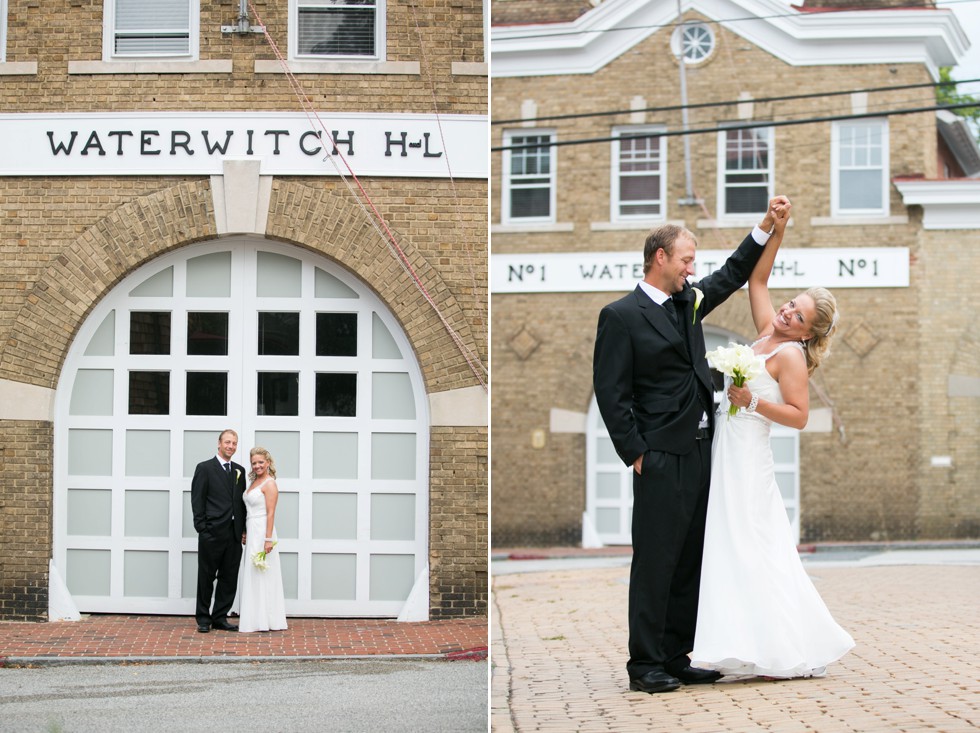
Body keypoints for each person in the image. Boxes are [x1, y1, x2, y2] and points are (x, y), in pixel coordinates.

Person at [592, 197, 788, 694]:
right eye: (685, 260)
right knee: (656, 561)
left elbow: (734, 273)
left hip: (704, 450)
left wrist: (766, 226)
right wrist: (636, 452)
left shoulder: (690, 301)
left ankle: (677, 655)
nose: (691, 269)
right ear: (660, 258)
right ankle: (645, 665)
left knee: (690, 559)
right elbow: (611, 394)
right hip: (659, 457)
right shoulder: (621, 316)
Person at [691, 203, 854, 678]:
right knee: (728, 542)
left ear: (807, 332)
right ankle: (742, 641)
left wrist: (752, 402)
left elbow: (800, 417)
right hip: (727, 449)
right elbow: (757, 282)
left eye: (797, 314)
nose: (786, 311)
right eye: (791, 304)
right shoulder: (767, 331)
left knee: (752, 542)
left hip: (749, 455)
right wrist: (776, 231)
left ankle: (780, 647)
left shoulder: (791, 356)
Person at [191, 429, 247, 633]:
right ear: (219, 443)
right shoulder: (205, 468)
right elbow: (197, 501)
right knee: (206, 577)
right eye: (228, 442)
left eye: (234, 443)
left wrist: (243, 529)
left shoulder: (239, 471)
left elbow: (242, 504)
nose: (231, 446)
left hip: (233, 534)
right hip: (212, 533)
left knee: (229, 577)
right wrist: (202, 529)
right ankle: (204, 619)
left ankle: (220, 617)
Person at [233, 446, 287, 633]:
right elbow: (249, 509)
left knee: (264, 574)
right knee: (253, 573)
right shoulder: (253, 482)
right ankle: (254, 617)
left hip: (264, 531)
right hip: (252, 529)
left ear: (268, 463)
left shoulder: (270, 484)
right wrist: (246, 530)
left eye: (260, 462)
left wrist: (268, 539)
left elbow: (271, 513)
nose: (257, 466)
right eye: (254, 463)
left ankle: (266, 619)